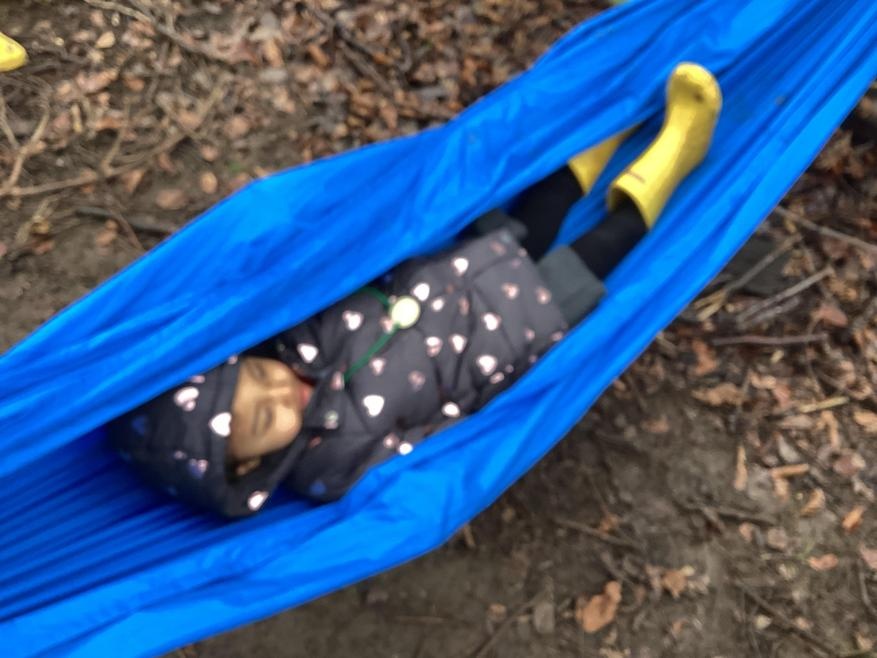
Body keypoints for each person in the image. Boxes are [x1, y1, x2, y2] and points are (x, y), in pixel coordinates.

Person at [108, 63, 722, 517]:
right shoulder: (329, 467)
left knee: (542, 204)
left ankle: (610, 125)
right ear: (246, 465)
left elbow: (345, 274)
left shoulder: (292, 339)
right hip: (507, 338)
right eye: (267, 417)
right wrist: (489, 399)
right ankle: (675, 154)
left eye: (260, 376)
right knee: (600, 250)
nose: (282, 390)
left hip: (460, 269)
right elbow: (426, 451)